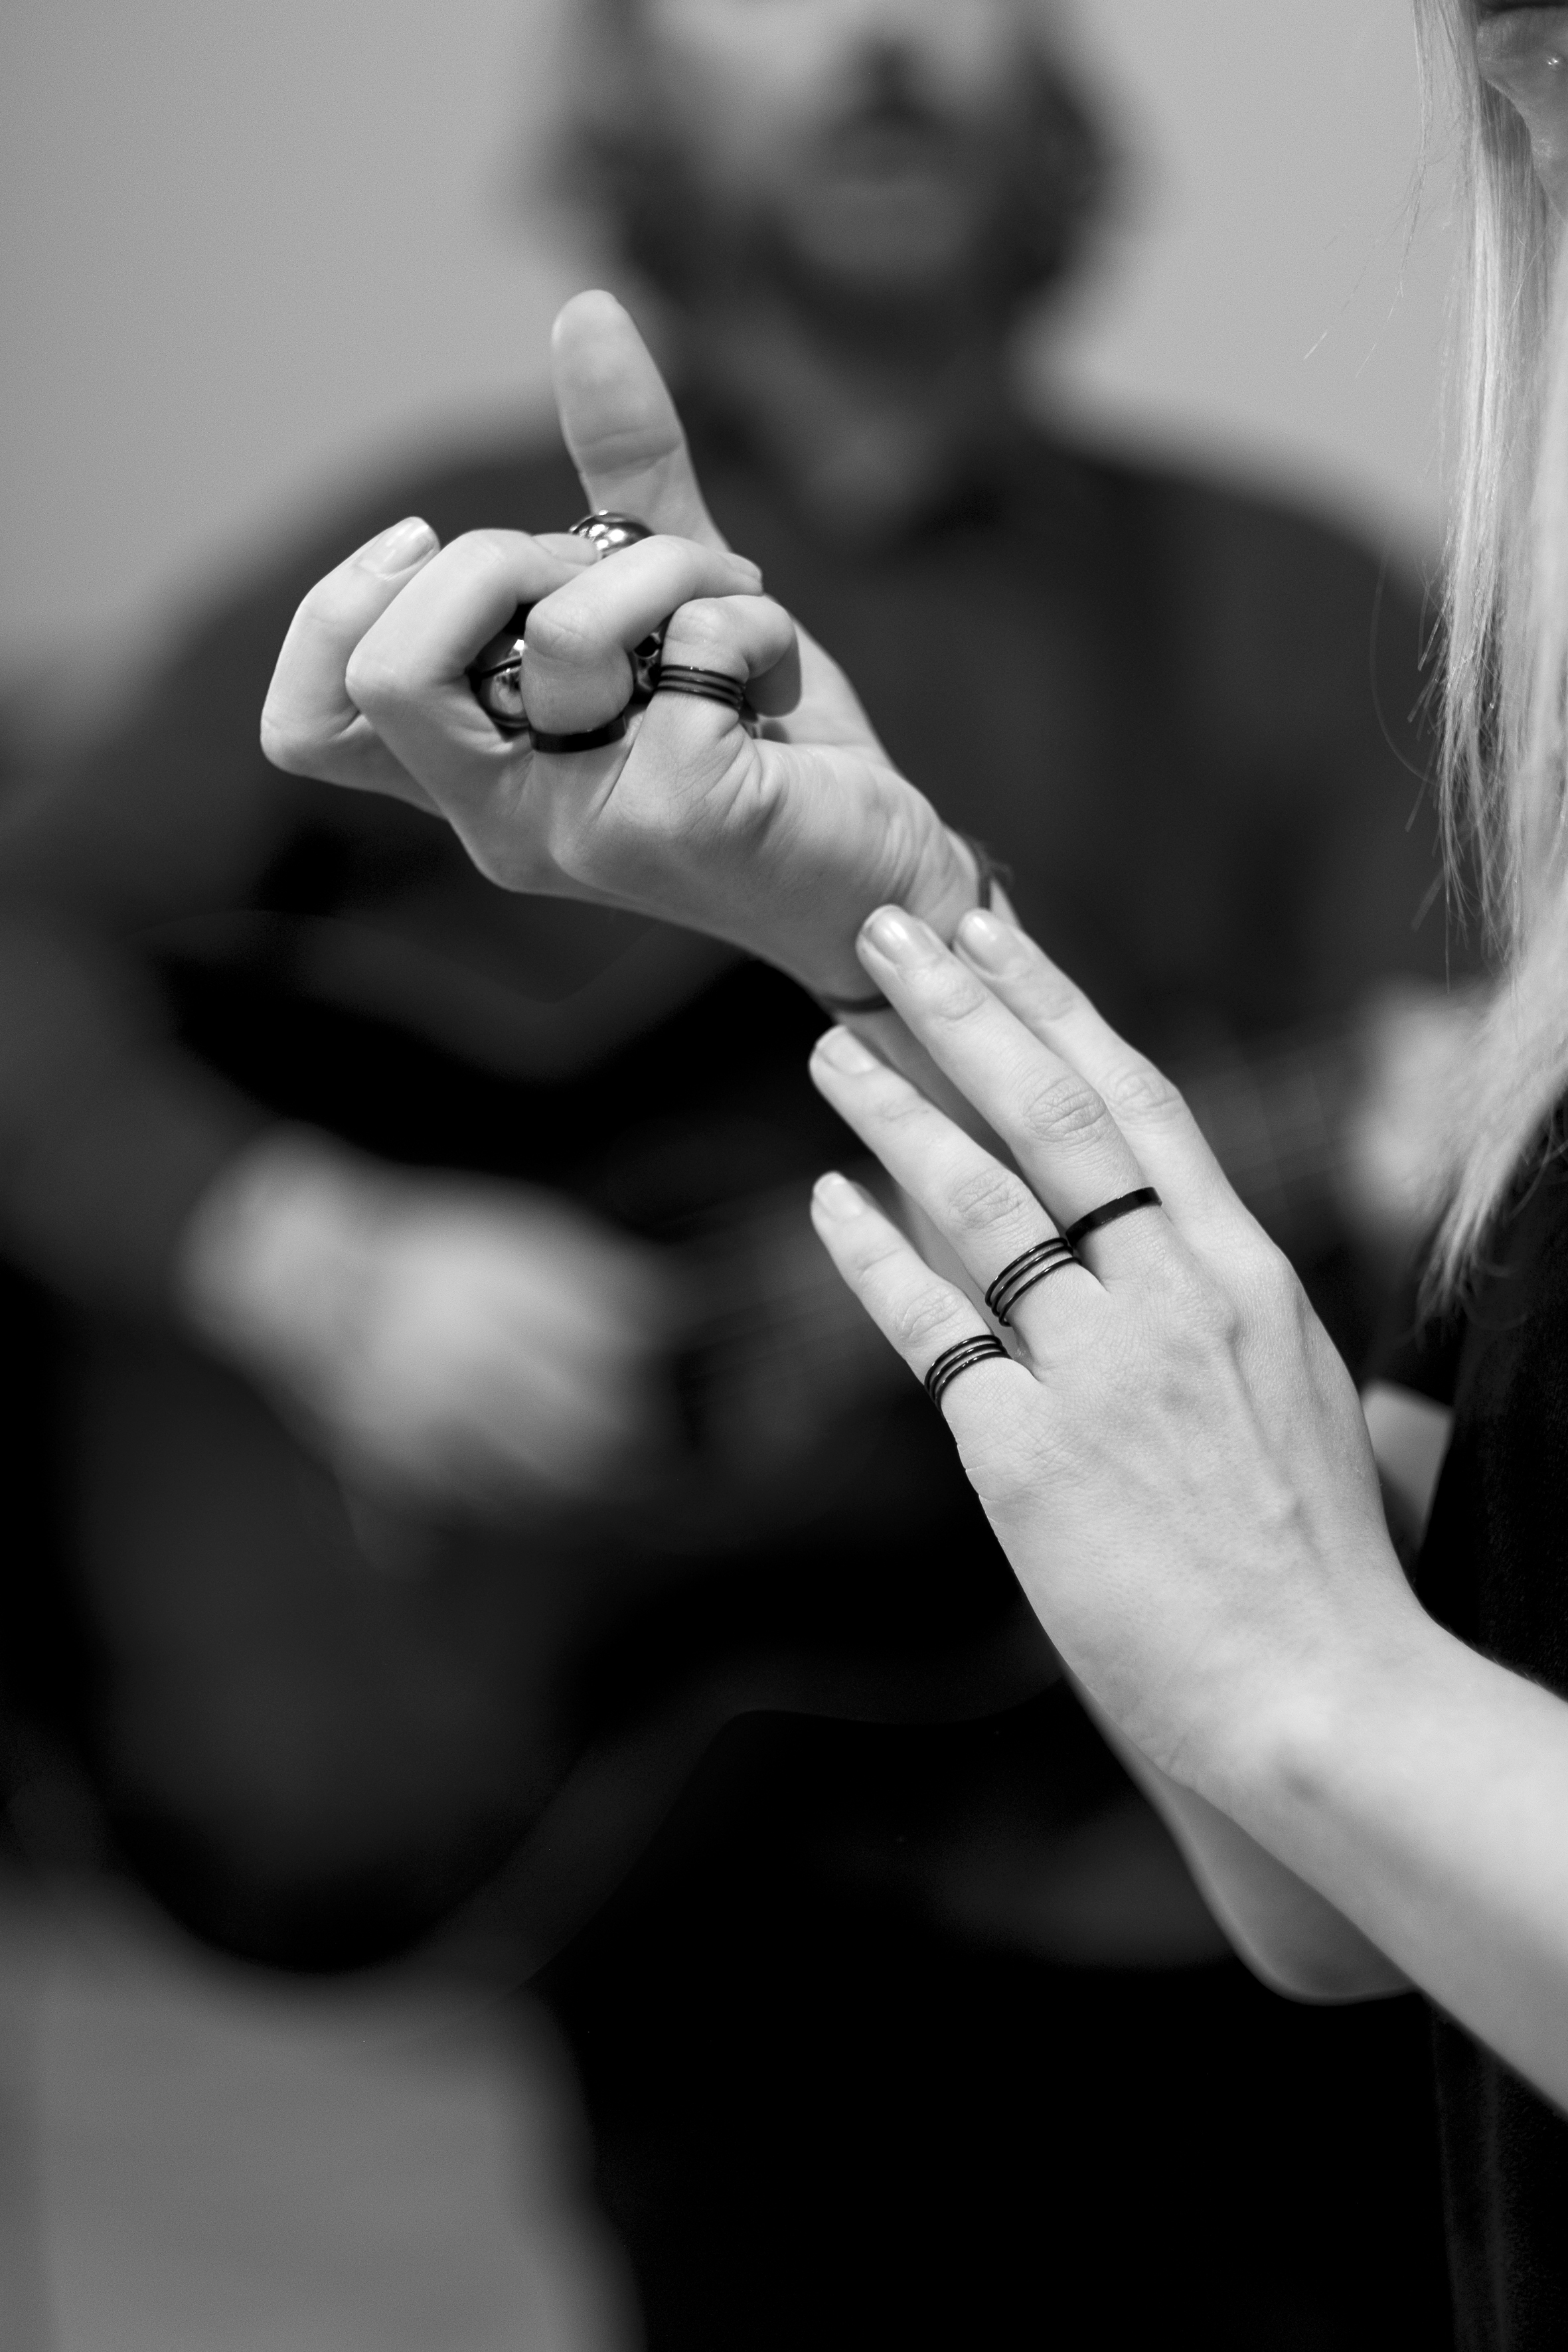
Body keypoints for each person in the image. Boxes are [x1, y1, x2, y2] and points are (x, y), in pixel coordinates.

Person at [0, 3, 1459, 2339]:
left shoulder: (1304, 601)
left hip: (1238, 1879)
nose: (877, 33)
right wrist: (309, 1256)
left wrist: (1436, 1153)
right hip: (696, 1888)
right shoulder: (452, 581)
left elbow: (1461, 1176)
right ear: (637, 86)